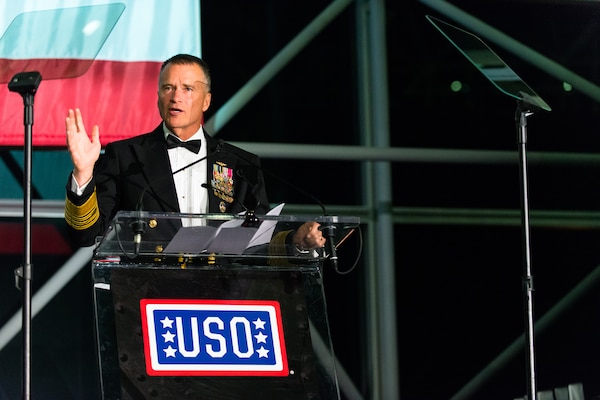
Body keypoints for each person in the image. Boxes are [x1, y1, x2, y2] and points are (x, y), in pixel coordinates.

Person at [64, 53, 325, 255]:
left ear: (206, 101)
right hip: (147, 296)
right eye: (168, 88)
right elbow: (86, 236)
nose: (176, 97)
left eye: (188, 89)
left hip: (219, 297)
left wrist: (296, 241)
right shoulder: (125, 156)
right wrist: (83, 173)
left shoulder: (241, 163)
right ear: (157, 98)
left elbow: (260, 241)